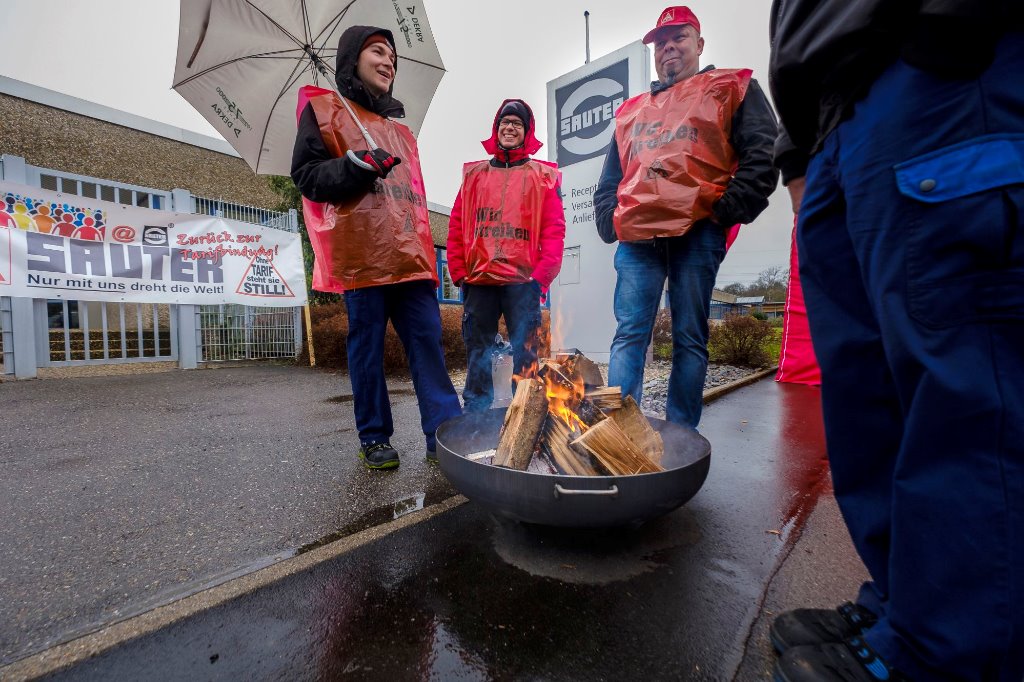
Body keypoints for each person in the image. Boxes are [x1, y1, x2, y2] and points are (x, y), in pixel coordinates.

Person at [768, 1, 1024, 680]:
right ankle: (905, 607)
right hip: (835, 127)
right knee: (868, 394)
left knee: (963, 381)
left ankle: (953, 650)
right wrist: (797, 153)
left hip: (936, 73)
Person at [593, 6, 778, 429]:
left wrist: (726, 210)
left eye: (678, 38)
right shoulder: (633, 111)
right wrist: (608, 219)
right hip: (638, 241)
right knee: (629, 335)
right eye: (661, 42)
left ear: (699, 43)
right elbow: (610, 177)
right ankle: (616, 436)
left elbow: (764, 152)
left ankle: (681, 438)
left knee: (689, 338)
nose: (669, 48)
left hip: (697, 233)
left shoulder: (730, 87)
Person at [291, 25, 461, 470]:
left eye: (393, 57)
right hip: (361, 257)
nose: (389, 63)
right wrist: (354, 166)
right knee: (366, 349)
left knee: (427, 342)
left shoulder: (400, 131)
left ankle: (443, 433)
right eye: (378, 52)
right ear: (353, 59)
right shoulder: (323, 111)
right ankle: (374, 436)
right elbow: (307, 177)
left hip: (409, 256)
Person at [446, 99, 565, 412]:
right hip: (479, 282)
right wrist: (459, 273)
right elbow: (457, 224)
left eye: (517, 123)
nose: (510, 128)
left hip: (523, 283)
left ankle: (526, 414)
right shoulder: (474, 176)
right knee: (478, 353)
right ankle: (475, 417)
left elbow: (554, 231)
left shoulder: (542, 176)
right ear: (496, 129)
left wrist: (540, 279)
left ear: (527, 131)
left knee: (526, 356)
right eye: (505, 122)